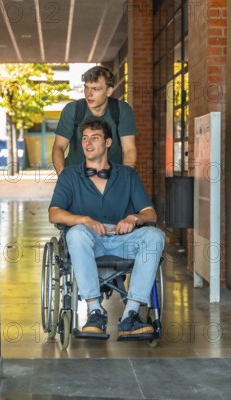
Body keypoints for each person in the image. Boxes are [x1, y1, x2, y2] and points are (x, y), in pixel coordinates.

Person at [48, 117, 164, 340]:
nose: (88, 143)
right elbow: (54, 213)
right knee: (77, 233)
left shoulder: (127, 175)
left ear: (108, 143)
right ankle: (95, 311)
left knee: (155, 235)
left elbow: (151, 213)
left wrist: (133, 218)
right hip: (90, 243)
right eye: (84, 138)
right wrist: (84, 220)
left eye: (95, 138)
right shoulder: (70, 176)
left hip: (123, 240)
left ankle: (130, 314)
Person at [52, 65, 137, 174]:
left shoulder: (122, 110)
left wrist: (124, 180)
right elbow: (59, 147)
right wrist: (63, 177)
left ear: (109, 91)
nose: (89, 94)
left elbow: (129, 149)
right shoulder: (72, 110)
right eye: (86, 87)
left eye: (95, 89)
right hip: (76, 178)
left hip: (111, 178)